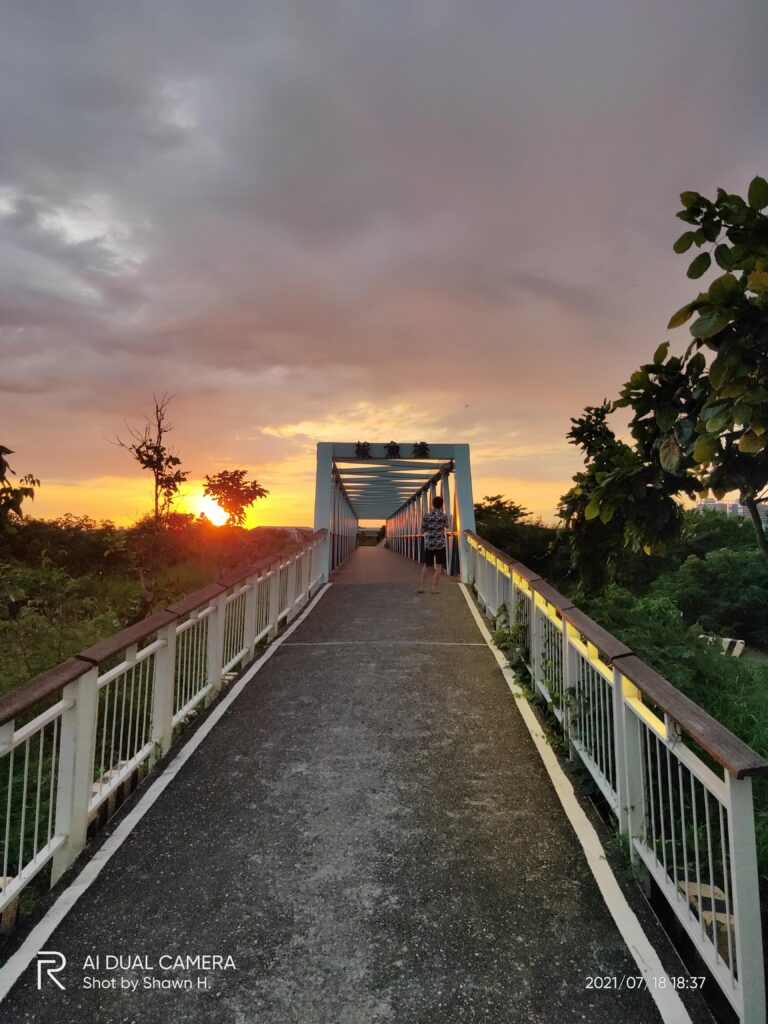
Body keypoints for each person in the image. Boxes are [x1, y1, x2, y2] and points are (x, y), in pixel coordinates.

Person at [419, 495, 450, 594]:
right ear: (441, 505)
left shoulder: (427, 515)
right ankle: (434, 588)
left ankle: (422, 587)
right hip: (440, 544)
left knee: (426, 565)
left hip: (430, 544)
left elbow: (423, 529)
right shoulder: (443, 516)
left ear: (432, 504)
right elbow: (447, 526)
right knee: (439, 566)